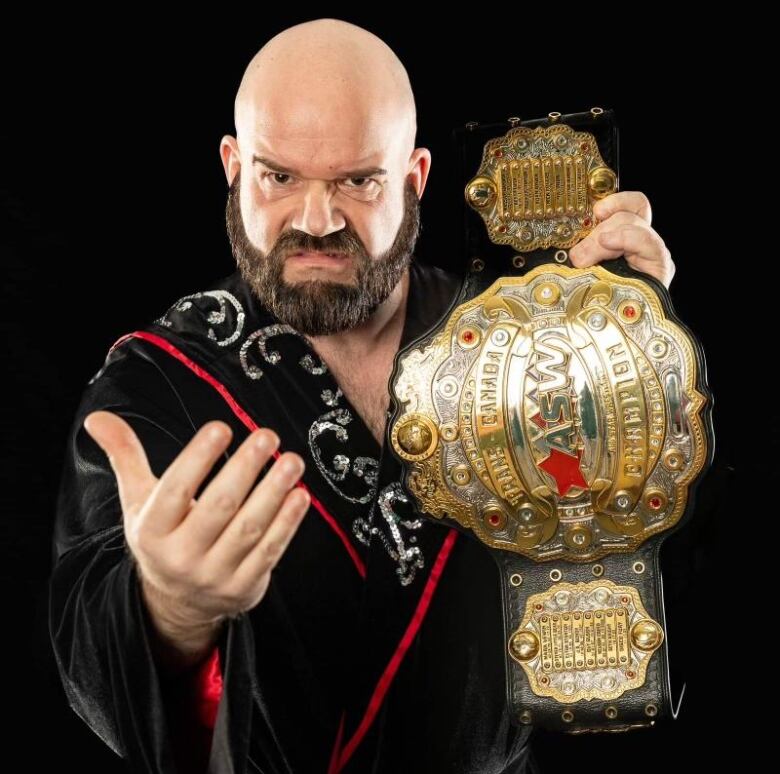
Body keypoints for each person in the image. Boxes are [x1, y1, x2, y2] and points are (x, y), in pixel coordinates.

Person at [47, 17, 676, 774]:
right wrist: (171, 610)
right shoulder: (161, 381)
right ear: (232, 167)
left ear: (413, 179)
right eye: (278, 177)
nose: (317, 222)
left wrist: (635, 357)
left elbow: (637, 591)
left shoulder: (519, 342)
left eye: (357, 180)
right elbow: (87, 656)